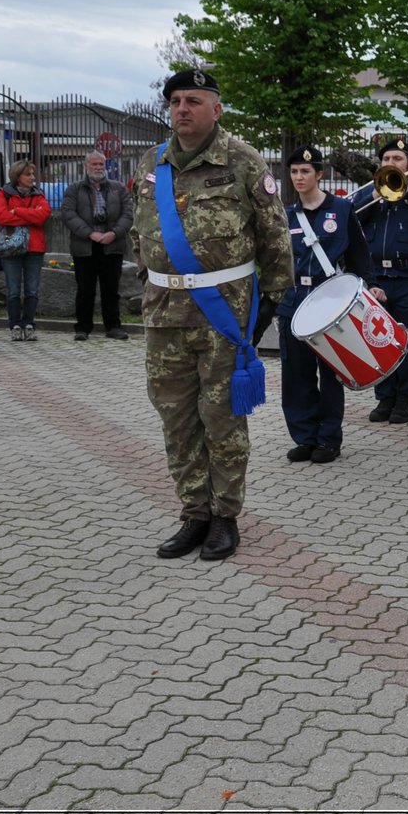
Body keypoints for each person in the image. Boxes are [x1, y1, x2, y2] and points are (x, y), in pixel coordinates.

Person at [134, 69, 292, 562]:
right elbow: (139, 233)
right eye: (176, 101)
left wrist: (271, 297)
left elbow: (275, 235)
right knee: (177, 419)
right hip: (164, 316)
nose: (182, 108)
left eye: (194, 101)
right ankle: (193, 514)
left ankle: (225, 517)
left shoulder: (243, 161)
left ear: (216, 109)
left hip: (225, 313)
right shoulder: (152, 162)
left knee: (221, 418)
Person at [277, 145, 372, 465]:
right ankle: (304, 436)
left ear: (319, 174)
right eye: (294, 172)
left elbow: (358, 254)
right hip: (294, 300)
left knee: (331, 373)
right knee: (296, 374)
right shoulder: (286, 215)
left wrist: (368, 290)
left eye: (305, 171)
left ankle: (329, 438)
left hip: (330, 300)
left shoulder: (342, 210)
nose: (299, 177)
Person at [351, 136, 408, 424]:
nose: (392, 164)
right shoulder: (370, 195)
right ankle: (385, 397)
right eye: (387, 160)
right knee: (377, 339)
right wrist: (372, 198)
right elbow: (348, 223)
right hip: (377, 275)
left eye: (398, 160)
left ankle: (406, 399)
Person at [58, 150, 133, 342]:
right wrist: (90, 233)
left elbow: (128, 214)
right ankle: (82, 328)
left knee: (111, 289)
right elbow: (68, 214)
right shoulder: (74, 189)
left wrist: (113, 233)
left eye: (101, 164)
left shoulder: (118, 188)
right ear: (86, 166)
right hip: (84, 246)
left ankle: (114, 326)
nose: (99, 168)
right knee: (85, 289)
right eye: (94, 164)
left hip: (112, 245)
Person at [0, 159, 52, 341]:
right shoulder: (3, 194)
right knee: (13, 290)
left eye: (33, 174)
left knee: (32, 290)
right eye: (28, 174)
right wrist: (30, 215)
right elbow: (1, 217)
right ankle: (15, 325)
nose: (32, 178)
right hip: (11, 248)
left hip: (34, 249)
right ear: (17, 177)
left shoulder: (38, 194)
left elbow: (43, 216)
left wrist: (17, 212)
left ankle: (29, 324)